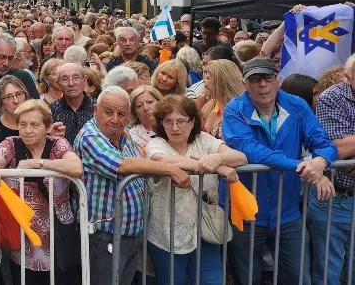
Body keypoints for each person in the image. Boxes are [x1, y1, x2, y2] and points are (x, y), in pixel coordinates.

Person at [223, 56, 338, 285]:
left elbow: (324, 144)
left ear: (278, 80)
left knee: (297, 277)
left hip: (288, 213)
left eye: (268, 78)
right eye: (255, 79)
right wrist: (301, 166)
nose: (263, 85)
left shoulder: (297, 105)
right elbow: (253, 150)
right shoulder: (234, 110)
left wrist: (320, 164)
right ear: (245, 83)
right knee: (248, 279)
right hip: (246, 212)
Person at [73, 86, 190, 285]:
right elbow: (122, 165)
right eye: (108, 112)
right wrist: (171, 170)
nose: (115, 119)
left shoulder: (123, 135)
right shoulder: (90, 136)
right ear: (96, 111)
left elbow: (141, 163)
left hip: (128, 233)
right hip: (104, 235)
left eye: (121, 114)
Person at [145, 94, 247, 285]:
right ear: (161, 123)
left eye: (181, 121)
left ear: (192, 122)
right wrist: (217, 166)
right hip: (167, 233)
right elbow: (163, 160)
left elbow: (240, 157)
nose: (175, 128)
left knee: (211, 281)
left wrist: (217, 159)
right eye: (168, 122)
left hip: (204, 229)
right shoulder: (156, 144)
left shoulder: (204, 140)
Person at [0, 99, 83, 285]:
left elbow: (76, 166)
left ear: (47, 127)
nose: (27, 130)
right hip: (23, 238)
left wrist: (37, 164)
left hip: (58, 236)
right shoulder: (11, 144)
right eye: (23, 124)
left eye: (34, 125)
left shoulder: (57, 144)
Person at [308, 53, 355, 285]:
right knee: (328, 272)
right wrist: (346, 150)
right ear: (348, 77)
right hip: (336, 198)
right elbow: (337, 148)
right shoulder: (332, 97)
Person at [195, 59, 242, 139]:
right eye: (204, 79)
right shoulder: (209, 105)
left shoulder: (241, 110)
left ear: (222, 81)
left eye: (208, 79)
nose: (204, 84)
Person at [50, 62, 95, 144]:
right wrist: (51, 138)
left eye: (76, 77)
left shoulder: (97, 107)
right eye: (65, 79)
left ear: (84, 80)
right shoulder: (50, 111)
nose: (71, 83)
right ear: (58, 84)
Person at [0, 75, 28, 154]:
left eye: (19, 94)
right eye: (8, 97)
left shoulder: (36, 120)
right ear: (1, 103)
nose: (16, 101)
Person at [128, 85, 162, 153]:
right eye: (139, 106)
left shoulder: (171, 125)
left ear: (159, 102)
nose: (146, 108)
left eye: (150, 102)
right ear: (134, 112)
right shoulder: (132, 136)